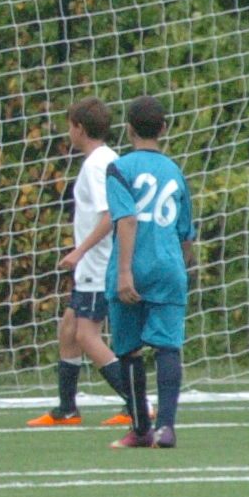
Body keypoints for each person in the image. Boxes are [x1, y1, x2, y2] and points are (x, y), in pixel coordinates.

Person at [27, 98, 131, 429]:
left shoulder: (97, 165)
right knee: (68, 329)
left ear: (79, 128)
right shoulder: (106, 158)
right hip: (96, 265)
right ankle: (67, 408)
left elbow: (109, 215)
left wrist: (79, 251)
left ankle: (138, 403)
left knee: (87, 336)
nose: (67, 132)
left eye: (69, 126)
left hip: (98, 265)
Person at [105, 94, 195, 449]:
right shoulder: (175, 171)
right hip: (169, 266)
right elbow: (186, 233)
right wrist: (182, 267)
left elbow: (126, 220)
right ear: (163, 129)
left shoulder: (120, 168)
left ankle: (141, 428)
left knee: (129, 350)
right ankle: (166, 428)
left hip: (132, 266)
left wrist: (124, 272)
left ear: (128, 129)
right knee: (167, 346)